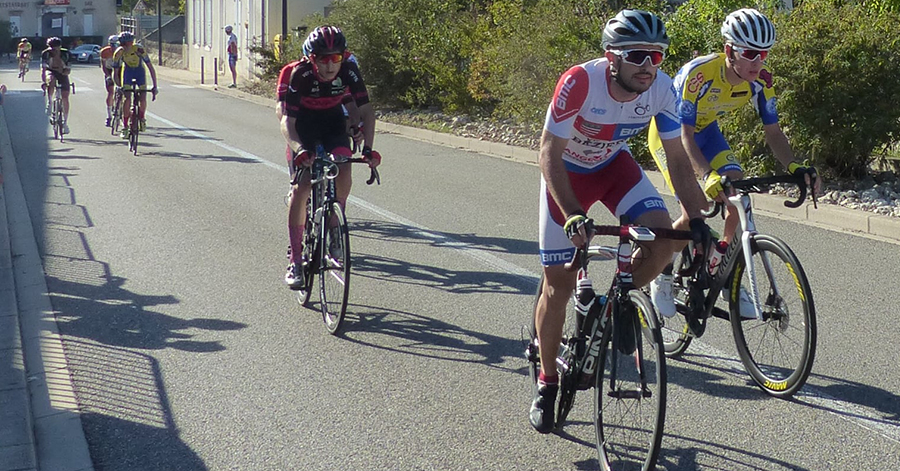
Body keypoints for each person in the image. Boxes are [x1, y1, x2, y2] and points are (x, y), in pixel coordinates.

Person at [529, 9, 710, 434]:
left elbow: (678, 160)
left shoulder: (662, 89)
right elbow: (548, 153)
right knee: (557, 284)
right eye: (638, 56)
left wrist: (697, 215)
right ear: (612, 57)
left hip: (613, 167)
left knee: (664, 239)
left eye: (657, 56)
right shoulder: (580, 82)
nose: (648, 66)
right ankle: (547, 381)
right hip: (567, 174)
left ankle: (616, 306)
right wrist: (574, 213)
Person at [646, 8, 821, 318]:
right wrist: (706, 175)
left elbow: (774, 132)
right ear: (729, 50)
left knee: (736, 189)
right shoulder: (698, 75)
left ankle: (722, 266)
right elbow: (684, 136)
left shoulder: (761, 80)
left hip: (707, 132)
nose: (758, 62)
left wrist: (795, 166)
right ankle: (662, 269)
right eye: (751, 54)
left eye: (764, 54)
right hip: (670, 135)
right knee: (694, 207)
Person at [280, 25, 381, 289]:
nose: (329, 65)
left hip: (333, 123)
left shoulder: (348, 69)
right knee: (302, 187)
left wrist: (368, 147)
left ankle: (335, 226)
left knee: (344, 166)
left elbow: (366, 111)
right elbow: (287, 121)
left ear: (343, 56)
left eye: (335, 58)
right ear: (311, 59)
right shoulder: (298, 74)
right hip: (304, 125)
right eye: (323, 59)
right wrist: (299, 149)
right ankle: (296, 258)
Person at [112, 31, 158, 139]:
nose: (127, 46)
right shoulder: (118, 52)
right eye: (124, 44)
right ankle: (125, 126)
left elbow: (150, 67)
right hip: (127, 71)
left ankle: (142, 118)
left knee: (142, 97)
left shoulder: (139, 49)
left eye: (129, 44)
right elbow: (116, 71)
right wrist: (118, 85)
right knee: (127, 97)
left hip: (139, 71)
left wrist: (155, 86)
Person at [41, 37, 72, 134]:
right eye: (51, 48)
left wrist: (65, 71)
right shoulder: (46, 53)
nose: (53, 50)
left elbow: (68, 69)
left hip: (62, 72)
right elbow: (43, 69)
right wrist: (44, 82)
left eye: (55, 48)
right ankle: (49, 102)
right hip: (51, 71)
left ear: (60, 47)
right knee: (51, 80)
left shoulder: (65, 53)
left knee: (65, 97)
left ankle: (65, 123)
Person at [100, 35, 119, 127]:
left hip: (120, 70)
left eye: (116, 44)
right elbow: (103, 66)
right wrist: (108, 76)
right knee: (110, 92)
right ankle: (109, 116)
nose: (114, 47)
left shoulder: (122, 51)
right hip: (109, 70)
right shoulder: (104, 52)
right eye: (112, 44)